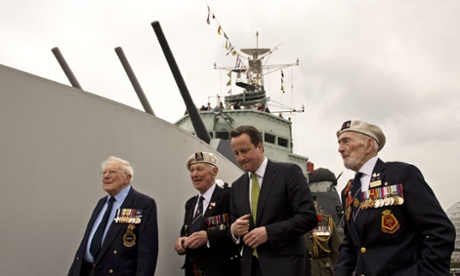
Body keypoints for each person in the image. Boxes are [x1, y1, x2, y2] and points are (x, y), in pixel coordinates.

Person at [335, 120, 456, 275]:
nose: (340, 148)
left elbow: (440, 231)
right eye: (339, 143)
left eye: (346, 141)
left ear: (368, 145)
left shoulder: (401, 175)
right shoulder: (349, 191)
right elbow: (350, 243)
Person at [229, 125, 318, 276]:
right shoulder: (237, 186)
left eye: (244, 151)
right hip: (251, 268)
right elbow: (234, 223)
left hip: (286, 267)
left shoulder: (289, 173)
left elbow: (308, 217)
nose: (240, 158)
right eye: (236, 153)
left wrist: (269, 233)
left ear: (259, 147)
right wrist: (233, 230)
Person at [68, 156, 158, 276]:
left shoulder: (143, 203)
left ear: (128, 178)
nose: (106, 176)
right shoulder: (101, 203)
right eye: (104, 172)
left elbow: (147, 254)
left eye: (112, 172)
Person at [174, 152, 241, 276]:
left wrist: (208, 237)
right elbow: (186, 231)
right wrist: (182, 242)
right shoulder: (190, 204)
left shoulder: (229, 196)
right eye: (192, 170)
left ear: (214, 171)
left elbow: (237, 233)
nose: (194, 174)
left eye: (200, 169)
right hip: (193, 270)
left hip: (221, 270)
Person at [304, 194, 340, 276]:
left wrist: (331, 266)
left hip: (323, 269)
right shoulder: (298, 224)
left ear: (316, 203)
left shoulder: (326, 222)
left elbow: (336, 249)